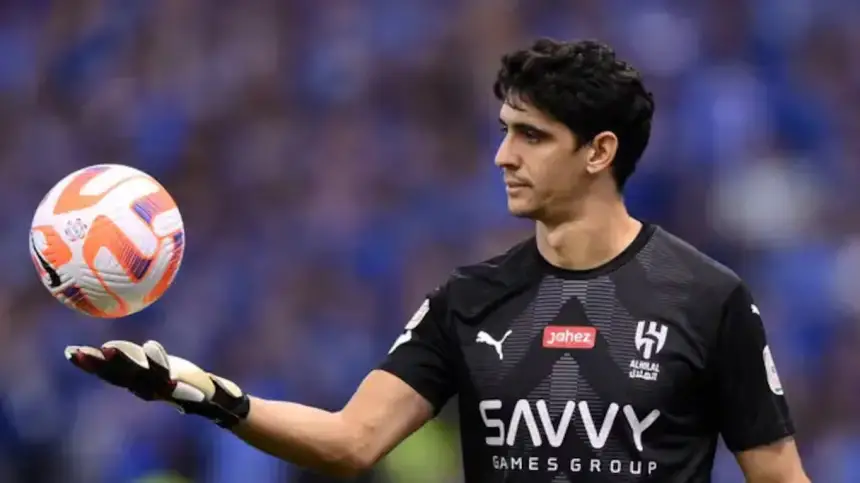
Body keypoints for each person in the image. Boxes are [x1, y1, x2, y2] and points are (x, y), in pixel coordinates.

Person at [65, 39, 810, 482]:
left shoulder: (708, 298)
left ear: (599, 152)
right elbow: (350, 442)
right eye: (503, 130)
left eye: (531, 136)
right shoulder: (472, 299)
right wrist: (193, 388)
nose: (502, 155)